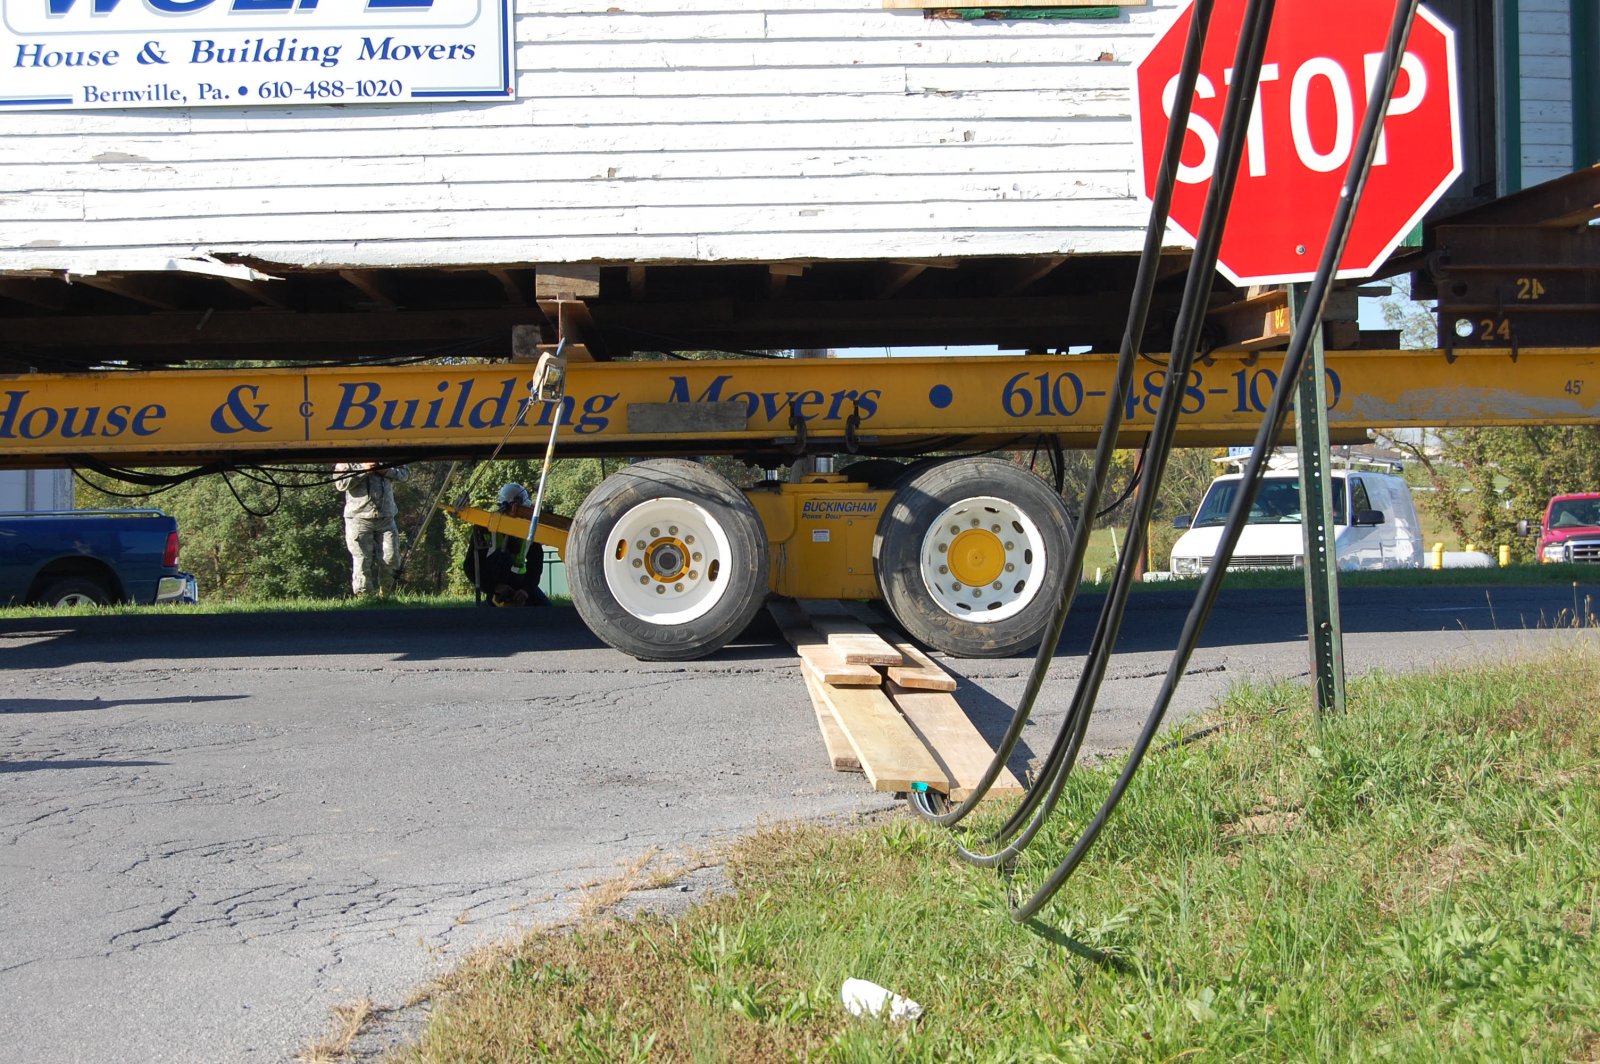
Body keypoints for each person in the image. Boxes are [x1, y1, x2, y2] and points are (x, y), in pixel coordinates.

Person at [333, 460, 409, 596]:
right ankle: (364, 598)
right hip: (358, 518)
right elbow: (340, 484)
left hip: (386, 516)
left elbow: (404, 474)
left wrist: (385, 471)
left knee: (391, 557)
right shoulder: (347, 457)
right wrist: (363, 470)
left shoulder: (388, 455)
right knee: (362, 560)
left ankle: (387, 596)